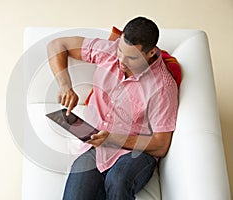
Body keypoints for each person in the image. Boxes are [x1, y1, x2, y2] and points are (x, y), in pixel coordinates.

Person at [47, 16, 178, 200]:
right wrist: (65, 84)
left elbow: (161, 144)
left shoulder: (163, 87)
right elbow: (56, 45)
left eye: (131, 57)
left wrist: (113, 138)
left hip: (136, 153)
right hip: (94, 147)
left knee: (118, 181)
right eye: (120, 51)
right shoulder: (108, 51)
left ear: (150, 53)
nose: (121, 61)